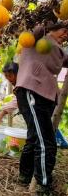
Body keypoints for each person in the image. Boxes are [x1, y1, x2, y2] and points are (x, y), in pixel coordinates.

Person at [14, 22, 68, 195]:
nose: (66, 34)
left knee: (35, 136)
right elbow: (37, 26)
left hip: (45, 95)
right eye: (64, 30)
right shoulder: (39, 36)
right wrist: (53, 12)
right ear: (52, 27)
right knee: (46, 141)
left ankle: (24, 175)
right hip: (33, 91)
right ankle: (42, 184)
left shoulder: (57, 49)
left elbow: (64, 59)